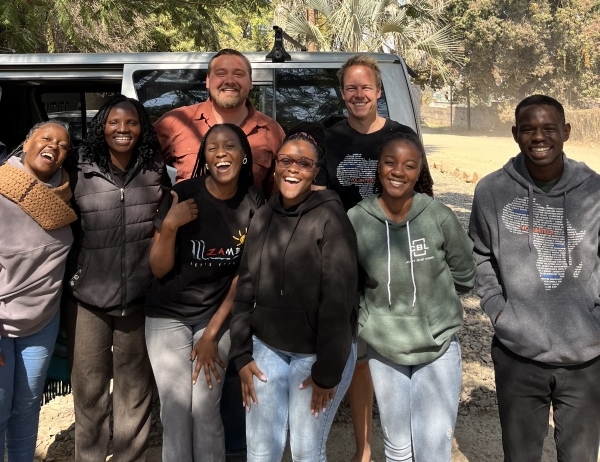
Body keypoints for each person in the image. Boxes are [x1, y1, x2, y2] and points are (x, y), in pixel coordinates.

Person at [469, 94, 600, 462]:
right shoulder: (492, 190)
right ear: (515, 134)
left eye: (548, 129)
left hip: (585, 358)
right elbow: (480, 254)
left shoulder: (595, 190)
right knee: (521, 457)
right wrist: (499, 312)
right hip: (518, 355)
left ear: (566, 132)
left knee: (580, 457)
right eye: (528, 129)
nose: (538, 137)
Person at [228, 123, 358, 462]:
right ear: (275, 166)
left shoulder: (331, 218)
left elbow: (338, 301)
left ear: (316, 172)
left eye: (304, 164)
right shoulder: (264, 215)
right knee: (261, 449)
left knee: (305, 450)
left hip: (315, 356)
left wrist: (327, 373)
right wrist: (241, 354)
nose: (293, 169)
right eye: (286, 160)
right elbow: (246, 286)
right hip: (267, 348)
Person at [313, 54, 420, 462]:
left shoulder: (401, 134)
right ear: (343, 94)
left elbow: (420, 193)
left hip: (390, 255)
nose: (359, 94)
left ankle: (401, 442)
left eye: (366, 87)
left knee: (386, 351)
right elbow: (318, 195)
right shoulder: (329, 137)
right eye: (351, 88)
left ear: (378, 91)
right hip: (340, 256)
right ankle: (363, 448)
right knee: (355, 353)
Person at [348, 131, 475, 461]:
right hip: (385, 348)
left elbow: (465, 275)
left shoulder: (438, 216)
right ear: (378, 167)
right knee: (398, 448)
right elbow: (348, 281)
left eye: (409, 165)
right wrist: (367, 321)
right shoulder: (357, 220)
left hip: (438, 347)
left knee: (433, 450)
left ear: (419, 172)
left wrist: (434, 307)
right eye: (390, 163)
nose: (398, 172)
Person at [146, 123, 263, 462]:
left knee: (205, 409)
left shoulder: (254, 202)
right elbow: (158, 269)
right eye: (213, 147)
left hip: (217, 315)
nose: (221, 152)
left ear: (243, 157)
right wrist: (170, 226)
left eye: (230, 146)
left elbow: (244, 276)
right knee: (177, 410)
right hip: (167, 313)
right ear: (205, 157)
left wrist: (212, 333)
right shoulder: (182, 194)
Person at [66, 95, 167, 462]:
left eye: (131, 123)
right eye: (114, 122)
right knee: (89, 392)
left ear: (142, 128)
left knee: (134, 392)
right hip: (88, 299)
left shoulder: (156, 166)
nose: (122, 130)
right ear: (101, 125)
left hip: (140, 299)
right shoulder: (79, 166)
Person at [0, 121, 77, 461]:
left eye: (63, 145)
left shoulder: (67, 195)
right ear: (27, 141)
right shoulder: (1, 188)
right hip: (1, 322)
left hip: (42, 321)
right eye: (46, 139)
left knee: (28, 406)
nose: (54, 147)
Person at [154, 48, 285, 193]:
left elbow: (278, 197)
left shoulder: (271, 131)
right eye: (220, 73)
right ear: (208, 81)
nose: (229, 81)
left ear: (250, 82)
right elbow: (140, 171)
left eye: (238, 74)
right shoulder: (176, 122)